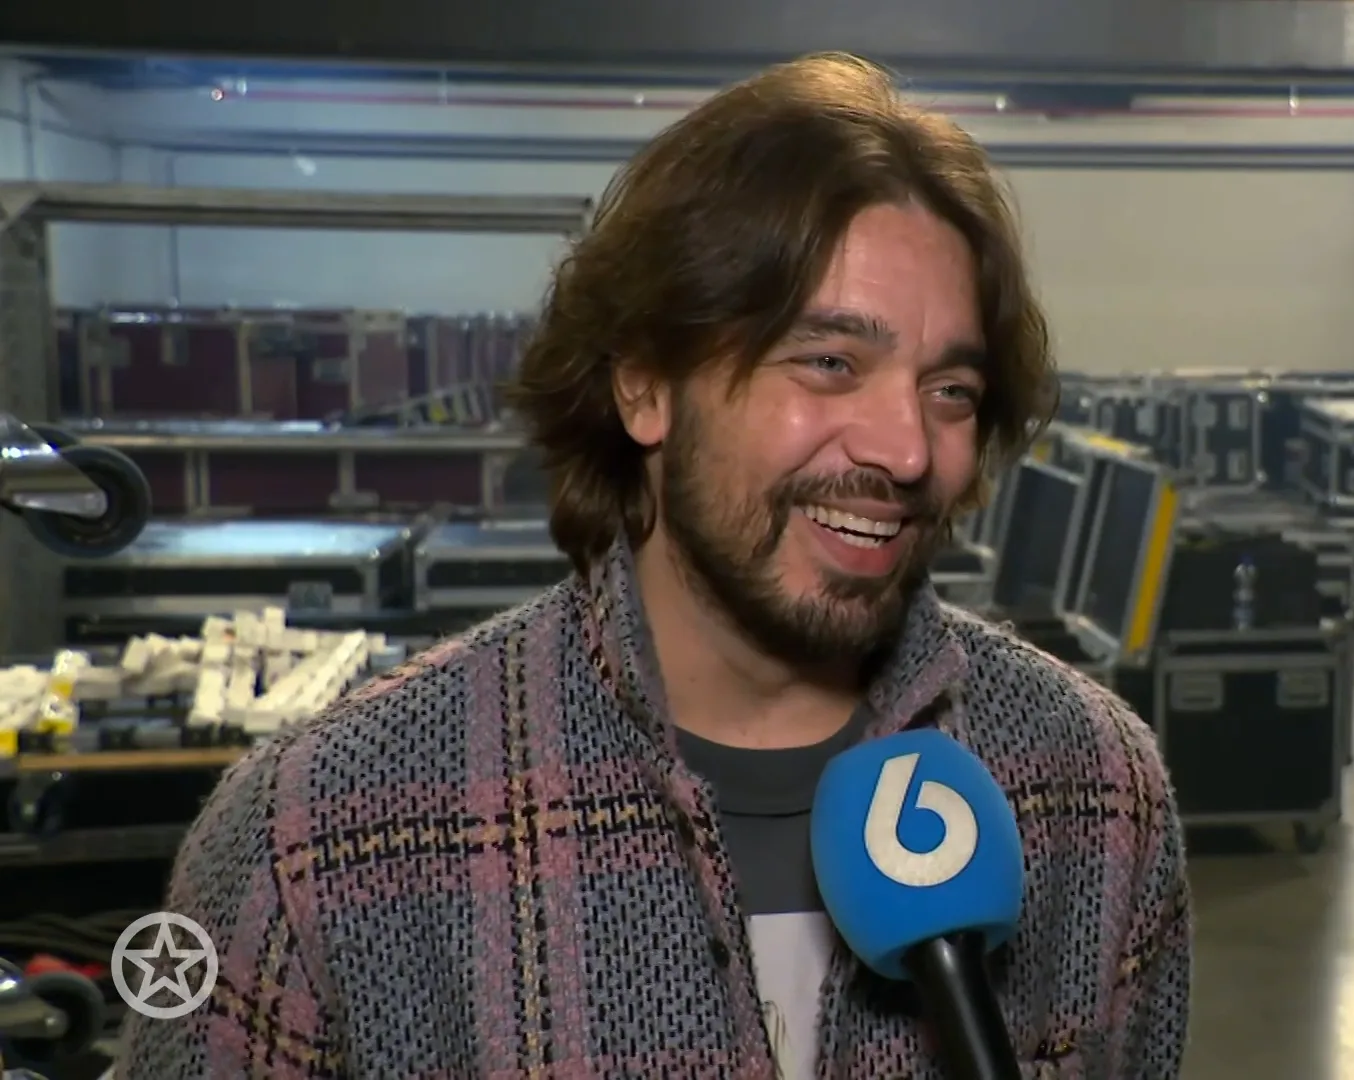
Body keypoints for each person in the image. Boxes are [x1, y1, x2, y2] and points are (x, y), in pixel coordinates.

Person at [123, 52, 1191, 1079]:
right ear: (645, 387)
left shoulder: (1094, 790)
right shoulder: (319, 832)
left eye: (950, 390)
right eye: (829, 362)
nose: (907, 450)